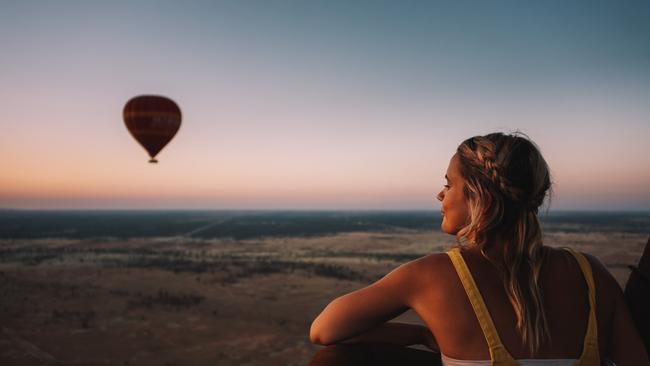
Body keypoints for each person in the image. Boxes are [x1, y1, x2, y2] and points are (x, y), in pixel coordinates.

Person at [309, 132, 650, 365]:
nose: (440, 195)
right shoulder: (591, 275)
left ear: (477, 195)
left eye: (449, 184)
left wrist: (422, 335)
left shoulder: (432, 276)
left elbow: (324, 331)